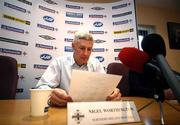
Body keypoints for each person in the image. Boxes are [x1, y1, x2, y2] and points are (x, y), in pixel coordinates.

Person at [36, 30, 121, 107]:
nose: (86, 53)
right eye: (82, 48)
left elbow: (106, 87)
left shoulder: (96, 63)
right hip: (65, 110)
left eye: (89, 49)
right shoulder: (59, 62)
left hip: (92, 110)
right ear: (73, 46)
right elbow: (41, 87)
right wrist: (51, 94)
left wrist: (112, 91)